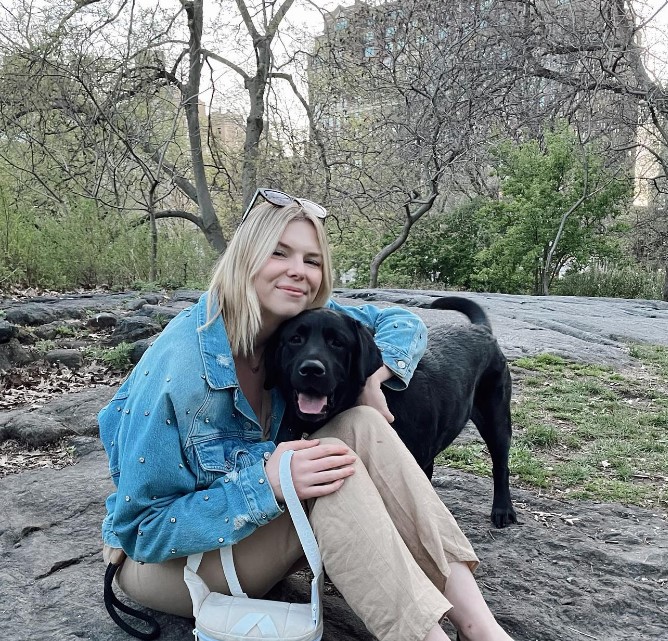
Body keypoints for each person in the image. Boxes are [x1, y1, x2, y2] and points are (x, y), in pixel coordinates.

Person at [99, 188, 515, 641]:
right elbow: (142, 529)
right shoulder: (181, 367)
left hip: (246, 539)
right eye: (279, 253)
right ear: (244, 257)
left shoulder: (292, 319)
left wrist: (373, 377)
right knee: (330, 471)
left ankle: (484, 630)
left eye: (312, 260)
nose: (298, 271)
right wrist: (268, 484)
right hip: (167, 568)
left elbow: (403, 322)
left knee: (362, 424)